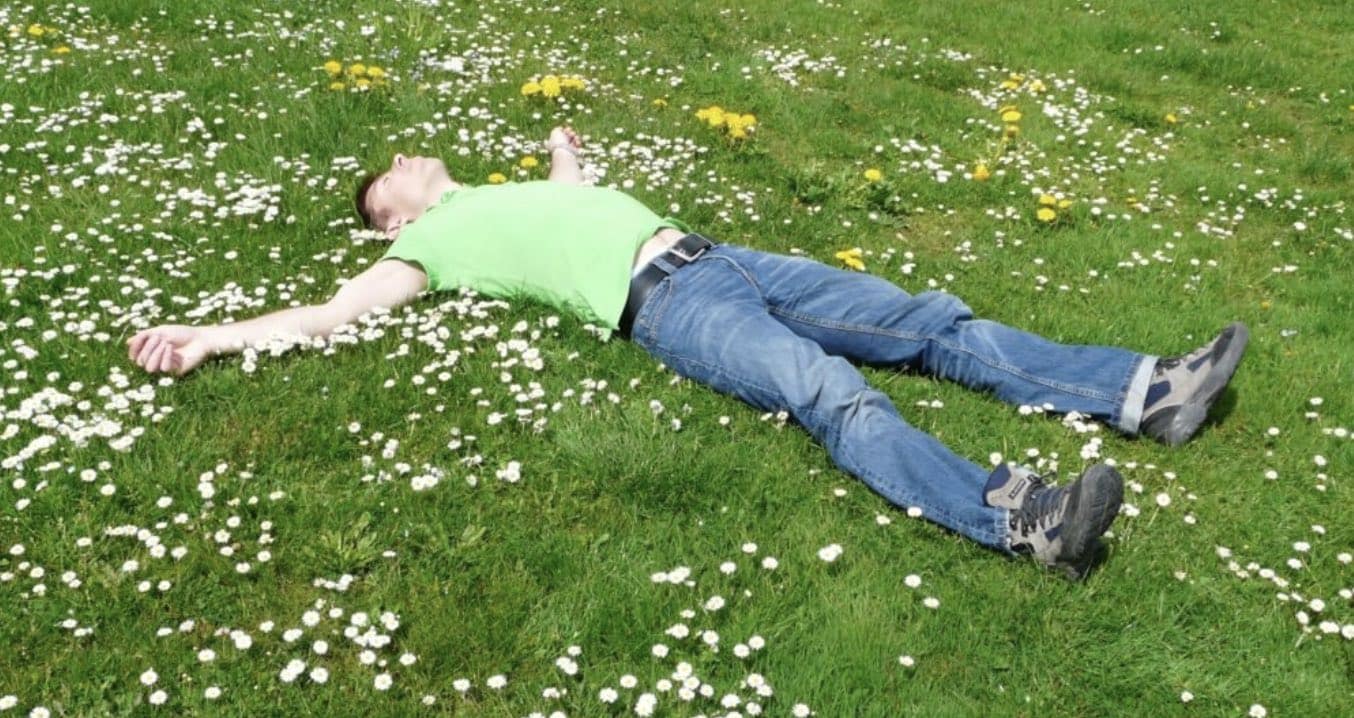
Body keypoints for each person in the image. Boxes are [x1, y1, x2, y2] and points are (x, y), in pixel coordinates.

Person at [125, 125, 1249, 580]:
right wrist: (210, 334)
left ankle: (1142, 390)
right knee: (829, 392)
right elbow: (328, 316)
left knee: (925, 318)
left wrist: (564, 149)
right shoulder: (427, 249)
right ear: (392, 219)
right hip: (662, 304)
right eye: (392, 180)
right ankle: (1020, 517)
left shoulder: (500, 192)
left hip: (723, 256)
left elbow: (571, 194)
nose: (411, 161)